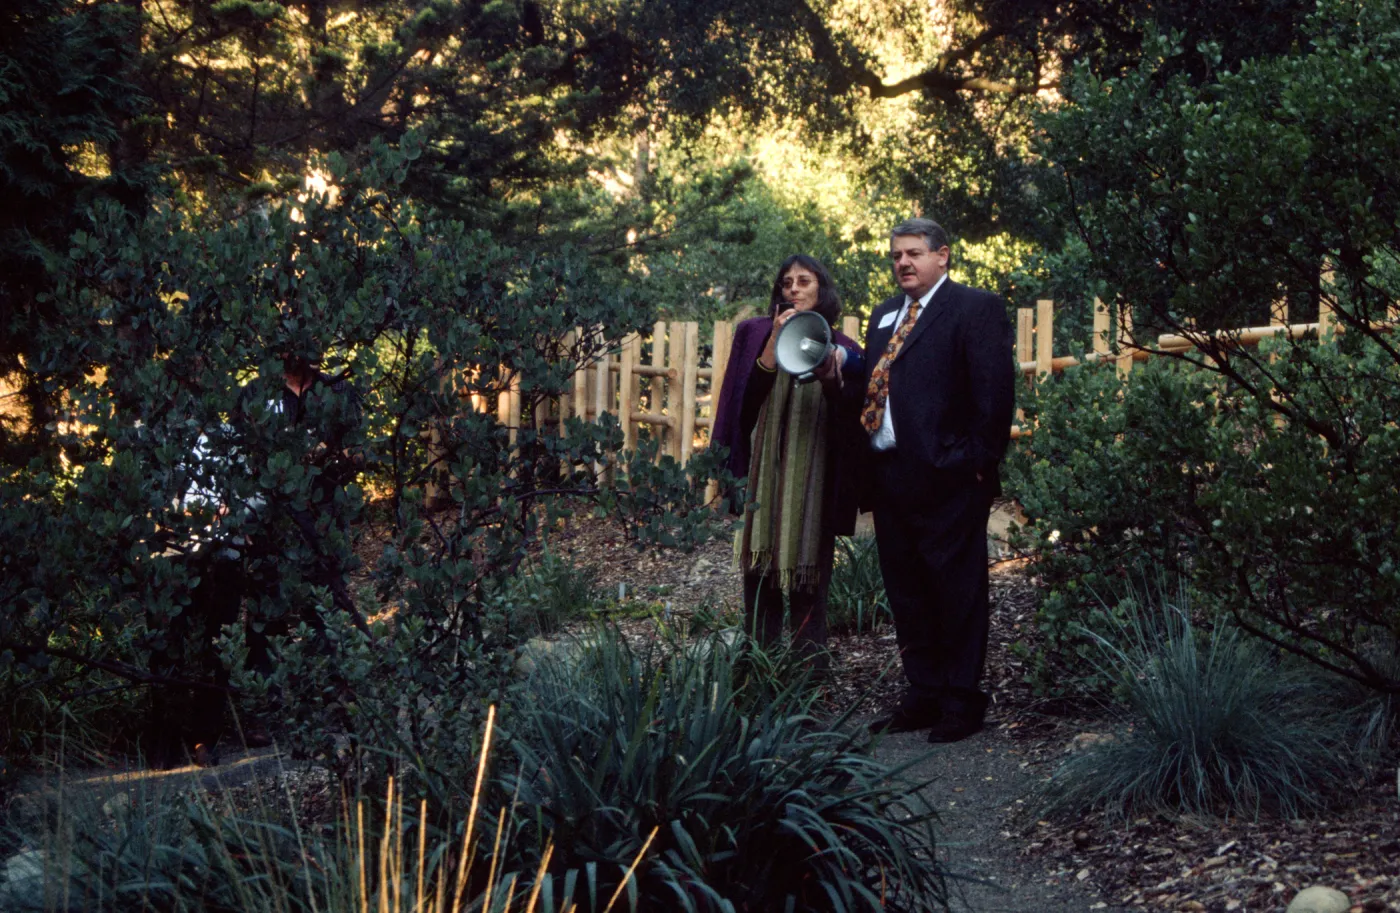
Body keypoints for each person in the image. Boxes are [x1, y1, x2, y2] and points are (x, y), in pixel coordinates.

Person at [860, 218, 1015, 743]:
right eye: (896, 255)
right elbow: (875, 384)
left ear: (942, 256)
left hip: (949, 478)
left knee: (957, 591)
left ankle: (961, 700)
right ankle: (922, 694)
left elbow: (994, 396)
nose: (903, 263)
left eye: (914, 254)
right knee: (907, 591)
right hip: (891, 474)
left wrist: (971, 462)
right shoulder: (884, 315)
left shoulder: (975, 309)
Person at [711, 255, 865, 658]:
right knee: (758, 576)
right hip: (765, 470)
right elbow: (738, 409)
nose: (794, 288)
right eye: (786, 283)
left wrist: (833, 379)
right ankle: (757, 669)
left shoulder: (844, 347)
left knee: (809, 579)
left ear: (821, 289)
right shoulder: (752, 333)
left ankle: (808, 675)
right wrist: (767, 356)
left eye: (804, 281)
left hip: (815, 477)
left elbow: (850, 422)